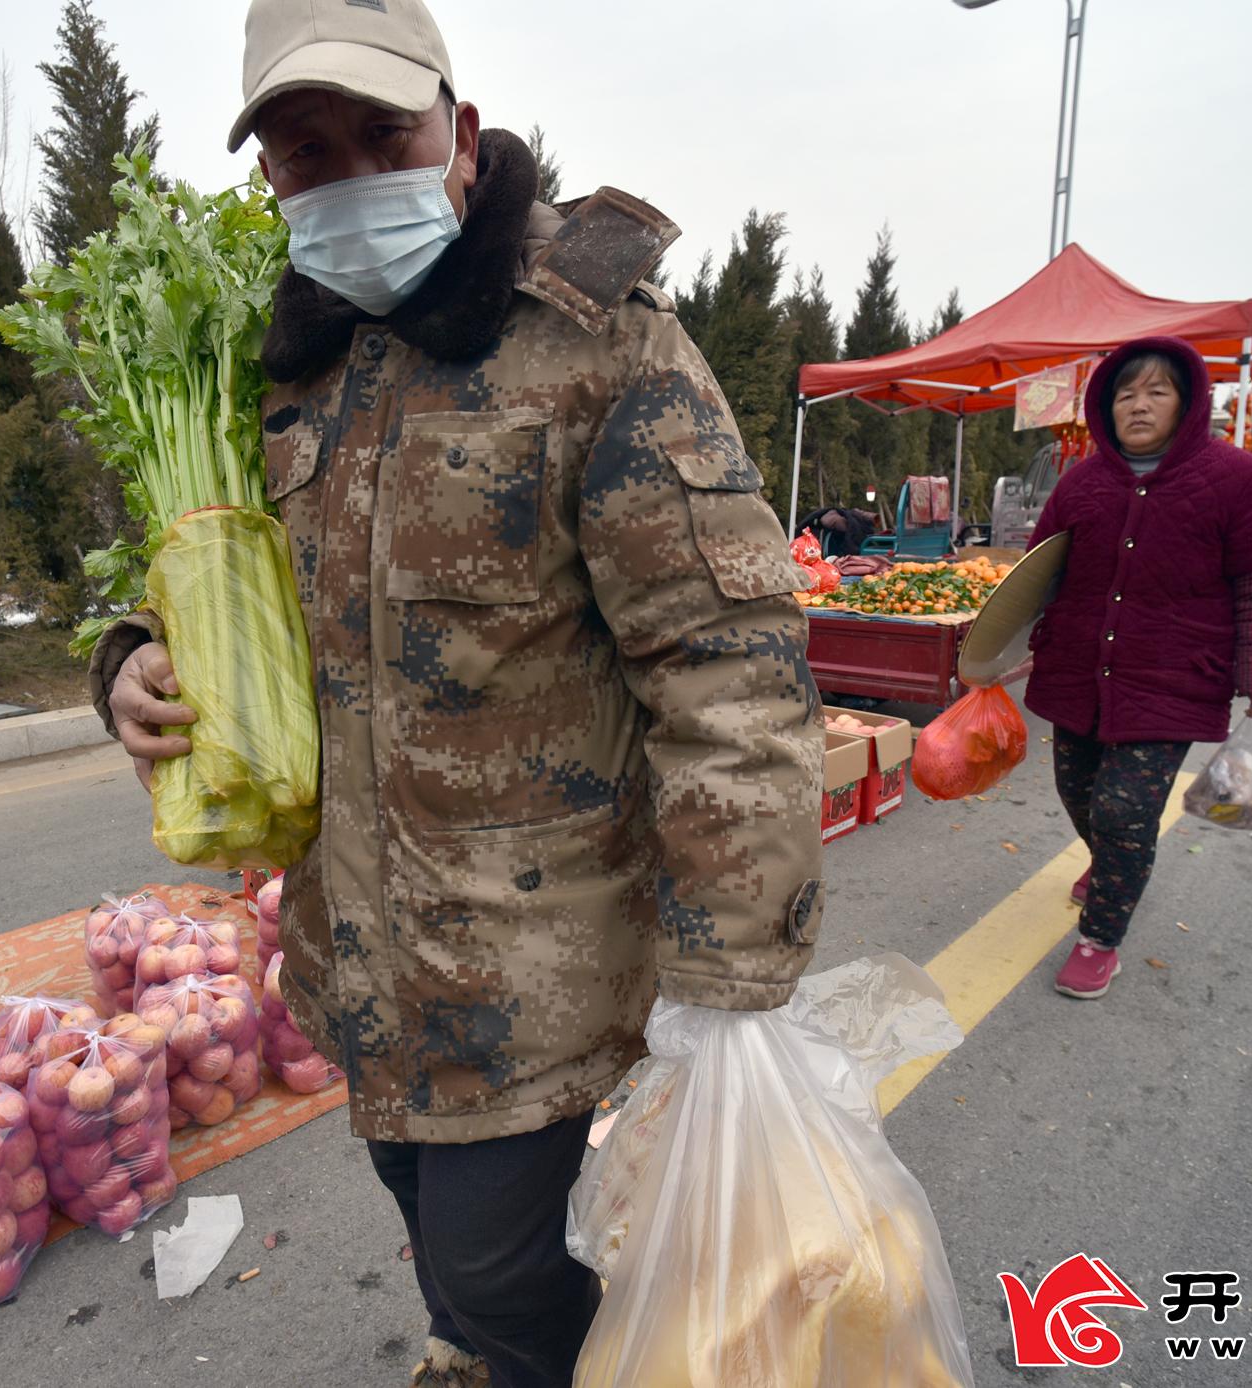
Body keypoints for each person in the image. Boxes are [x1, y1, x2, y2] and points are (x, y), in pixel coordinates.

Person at [91, 2, 826, 1383]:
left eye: (384, 132)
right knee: (431, 1224)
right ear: (268, 178)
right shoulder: (286, 358)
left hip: (539, 969)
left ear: (463, 136)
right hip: (356, 958)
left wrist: (735, 968)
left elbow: (724, 660)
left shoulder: (591, 338)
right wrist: (130, 658)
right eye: (305, 150)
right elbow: (215, 570)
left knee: (502, 1271)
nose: (348, 173)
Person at [1026, 336, 1252, 1000]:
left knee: (1124, 810)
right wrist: (988, 652)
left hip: (1171, 677)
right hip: (1076, 674)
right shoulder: (1081, 483)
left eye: (1156, 392)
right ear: (1104, 405)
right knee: (1079, 794)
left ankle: (1100, 940)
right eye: (1125, 393)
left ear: (1188, 402)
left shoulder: (1240, 480)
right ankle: (1112, 864)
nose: (1138, 405)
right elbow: (1037, 574)